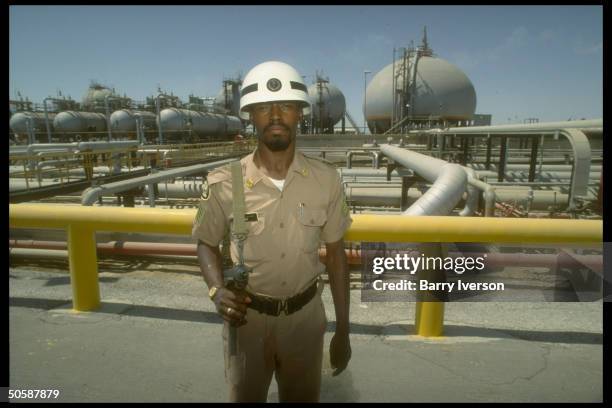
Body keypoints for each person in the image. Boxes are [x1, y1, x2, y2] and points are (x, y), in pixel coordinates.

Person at [192, 60, 352, 402]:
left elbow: (337, 256)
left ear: (299, 114)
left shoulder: (327, 180)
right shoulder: (224, 182)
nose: (275, 115)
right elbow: (205, 242)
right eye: (264, 107)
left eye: (286, 106)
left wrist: (343, 328)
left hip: (305, 322)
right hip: (246, 322)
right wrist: (215, 290)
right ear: (251, 115)